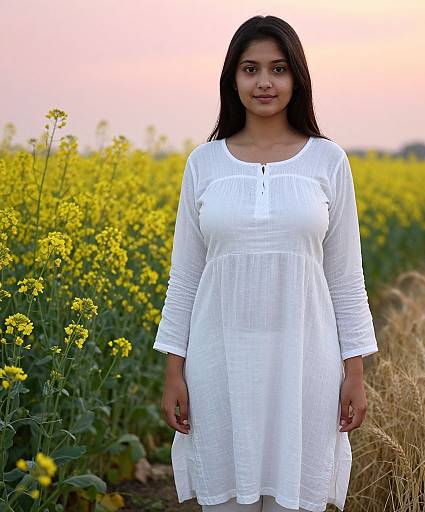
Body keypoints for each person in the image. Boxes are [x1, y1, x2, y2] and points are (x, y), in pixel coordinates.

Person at [154, 14, 379, 512]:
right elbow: (185, 276)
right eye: (250, 69)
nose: (264, 83)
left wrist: (355, 371)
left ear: (296, 77)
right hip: (219, 364)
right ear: (232, 79)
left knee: (296, 496)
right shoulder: (204, 163)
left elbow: (345, 277)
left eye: (278, 69)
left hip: (306, 364)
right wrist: (174, 370)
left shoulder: (328, 161)